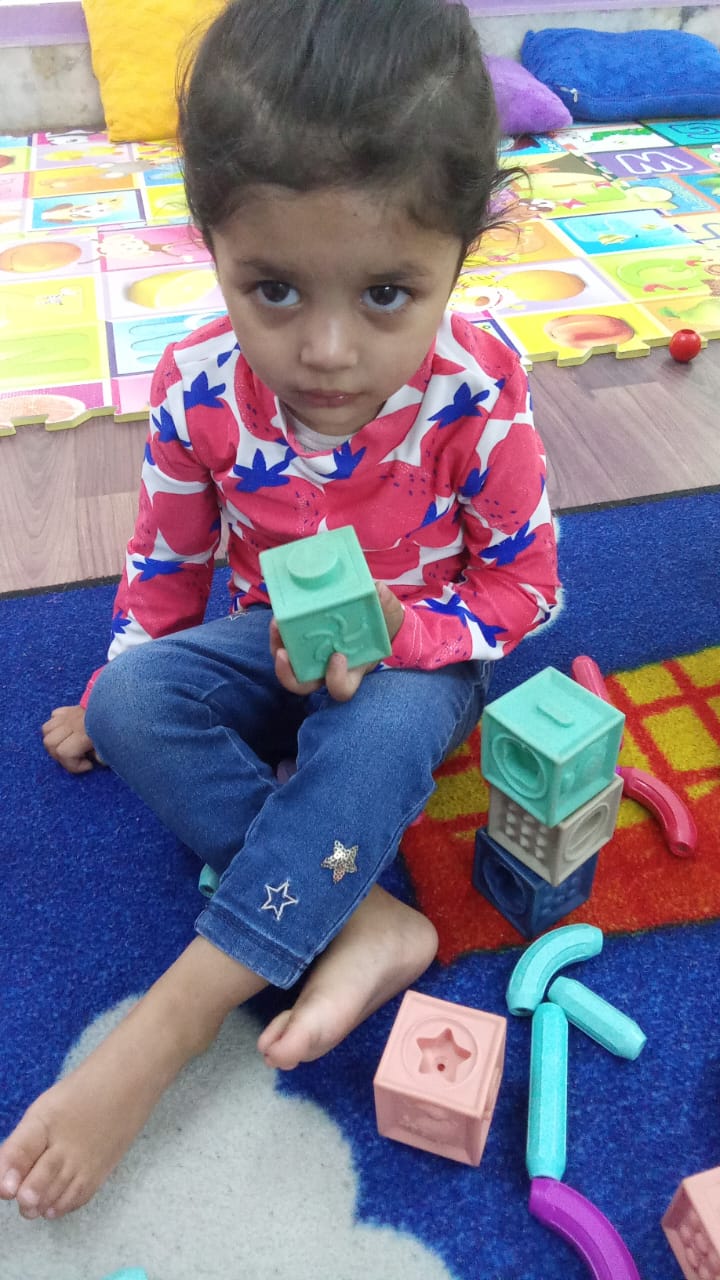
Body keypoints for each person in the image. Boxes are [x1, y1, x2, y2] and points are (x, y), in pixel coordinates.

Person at [0, 0, 558, 1222]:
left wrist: (404, 636)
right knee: (135, 699)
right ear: (212, 244)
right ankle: (367, 919)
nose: (327, 350)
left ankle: (173, 1016)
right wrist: (110, 692)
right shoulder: (198, 384)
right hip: (274, 641)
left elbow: (524, 589)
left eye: (387, 293)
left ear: (461, 252)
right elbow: (166, 565)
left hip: (417, 661)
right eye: (274, 288)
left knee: (374, 727)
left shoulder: (479, 386)